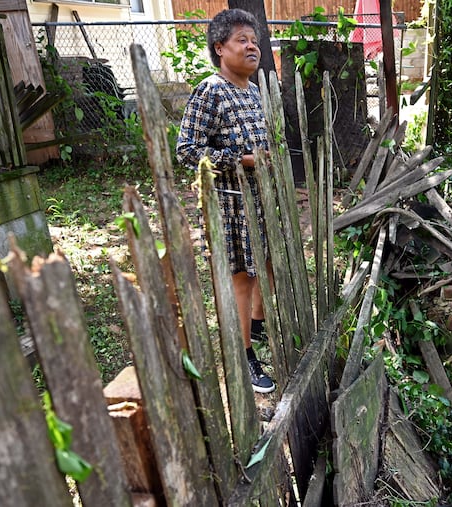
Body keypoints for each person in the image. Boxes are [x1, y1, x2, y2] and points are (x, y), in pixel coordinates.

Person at [176, 8, 275, 394]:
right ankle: (243, 354)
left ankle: (258, 326)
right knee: (241, 277)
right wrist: (242, 161)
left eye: (255, 40)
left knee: (262, 264)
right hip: (231, 202)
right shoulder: (211, 91)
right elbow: (186, 150)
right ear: (220, 48)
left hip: (261, 199)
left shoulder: (253, 91)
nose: (252, 46)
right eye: (242, 40)